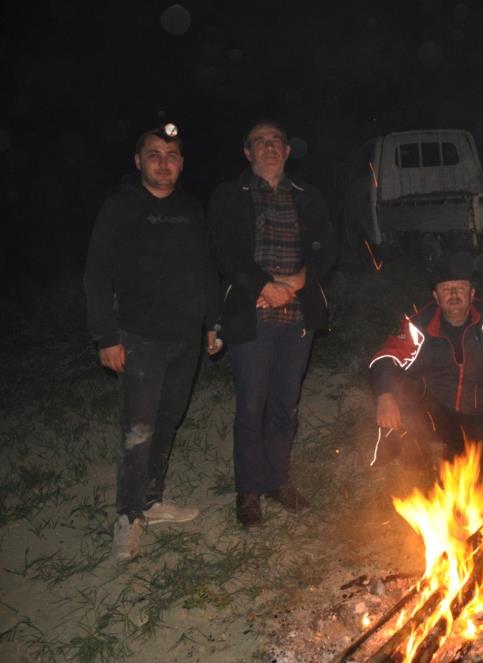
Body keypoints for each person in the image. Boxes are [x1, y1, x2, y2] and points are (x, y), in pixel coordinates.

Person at [84, 123, 221, 561]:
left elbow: (206, 268)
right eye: (155, 154)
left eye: (173, 155)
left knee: (167, 421)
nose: (165, 162)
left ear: (182, 163)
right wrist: (106, 336)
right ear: (138, 160)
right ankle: (127, 517)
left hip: (186, 338)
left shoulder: (191, 209)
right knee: (137, 430)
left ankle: (152, 500)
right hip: (140, 338)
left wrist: (213, 322)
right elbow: (96, 274)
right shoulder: (121, 206)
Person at [208, 120, 336, 527]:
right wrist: (264, 285)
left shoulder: (307, 196)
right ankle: (248, 491)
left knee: (286, 403)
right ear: (247, 153)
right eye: (259, 142)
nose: (269, 147)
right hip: (253, 312)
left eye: (275, 141)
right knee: (251, 404)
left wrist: (298, 281)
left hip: (297, 314)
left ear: (287, 150)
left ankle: (277, 480)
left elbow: (326, 248)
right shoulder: (231, 194)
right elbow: (225, 251)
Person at [369, 253, 483, 476]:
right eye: (446, 288)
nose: (453, 294)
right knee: (409, 420)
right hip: (437, 413)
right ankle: (419, 469)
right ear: (436, 296)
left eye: (460, 287)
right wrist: (385, 396)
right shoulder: (418, 323)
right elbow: (385, 358)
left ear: (472, 294)